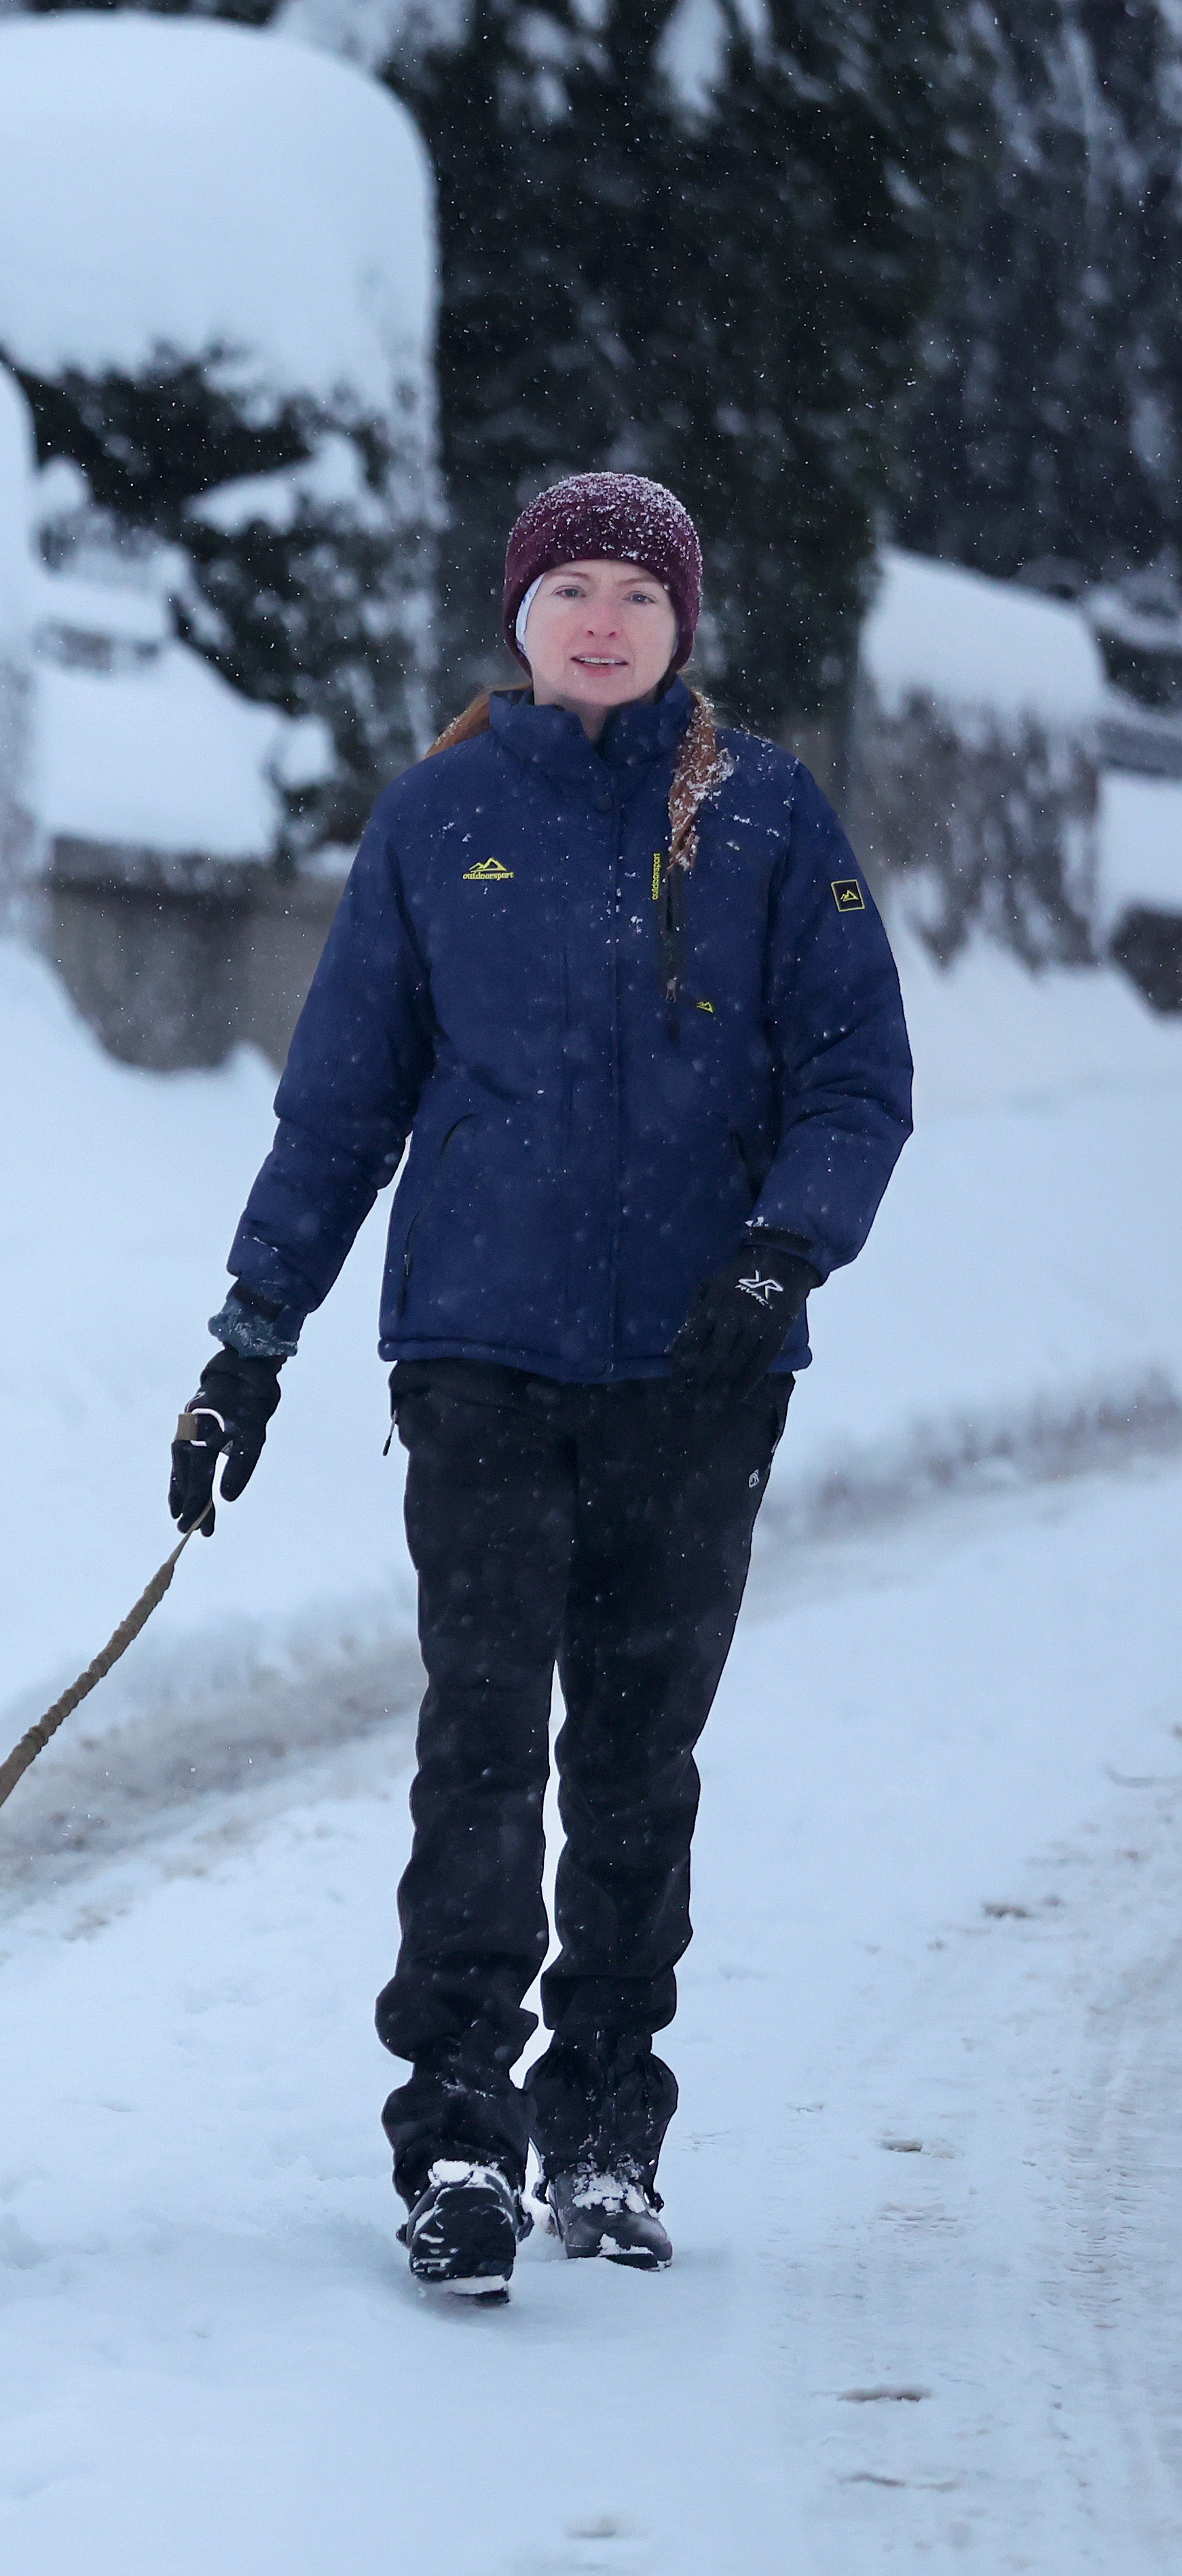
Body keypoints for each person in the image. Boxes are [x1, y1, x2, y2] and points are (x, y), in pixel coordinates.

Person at [167, 473, 913, 2302]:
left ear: (681, 623)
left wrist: (778, 1251)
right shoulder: (440, 817)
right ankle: (453, 2135)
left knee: (635, 1761)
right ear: (515, 616)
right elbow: (338, 1104)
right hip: (481, 1362)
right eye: (566, 585)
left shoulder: (759, 816)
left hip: (696, 1366)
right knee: (480, 1746)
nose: (600, 617)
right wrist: (247, 1344)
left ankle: (600, 2127)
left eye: (634, 592)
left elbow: (853, 1074)